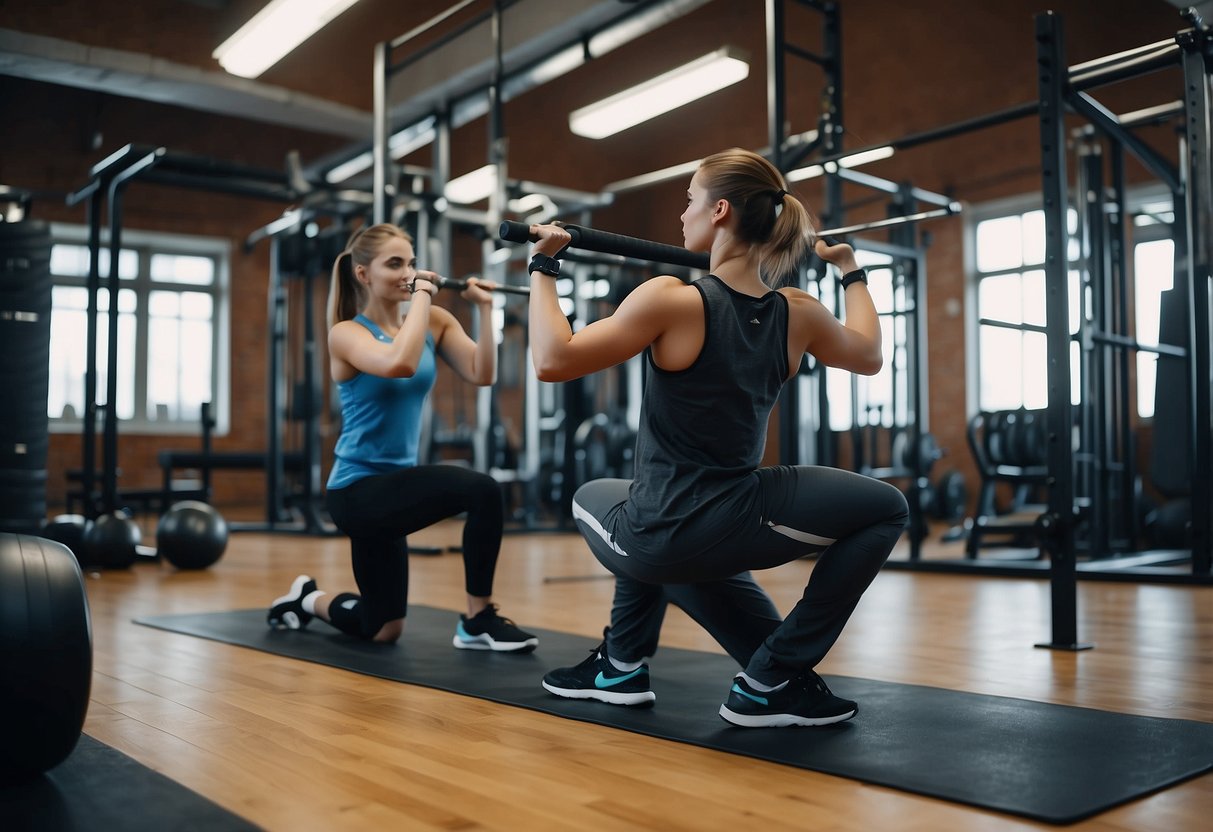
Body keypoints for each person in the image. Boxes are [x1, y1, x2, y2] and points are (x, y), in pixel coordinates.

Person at [527, 148, 909, 726]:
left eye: (689, 201)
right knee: (886, 509)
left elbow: (553, 360)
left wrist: (543, 267)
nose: (683, 216)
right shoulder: (797, 312)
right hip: (734, 520)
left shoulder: (671, 299)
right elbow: (870, 354)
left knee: (596, 496)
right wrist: (851, 270)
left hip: (662, 533)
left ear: (720, 210)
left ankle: (623, 665)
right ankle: (767, 676)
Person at [267, 223, 537, 653]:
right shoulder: (346, 334)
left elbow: (482, 373)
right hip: (356, 493)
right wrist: (424, 296)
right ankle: (477, 619)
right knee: (481, 489)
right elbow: (400, 363)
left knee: (382, 627)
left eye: (410, 263)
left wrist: (484, 311)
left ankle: (307, 599)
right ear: (363, 274)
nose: (407, 272)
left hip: (394, 490)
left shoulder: (432, 322)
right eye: (394, 264)